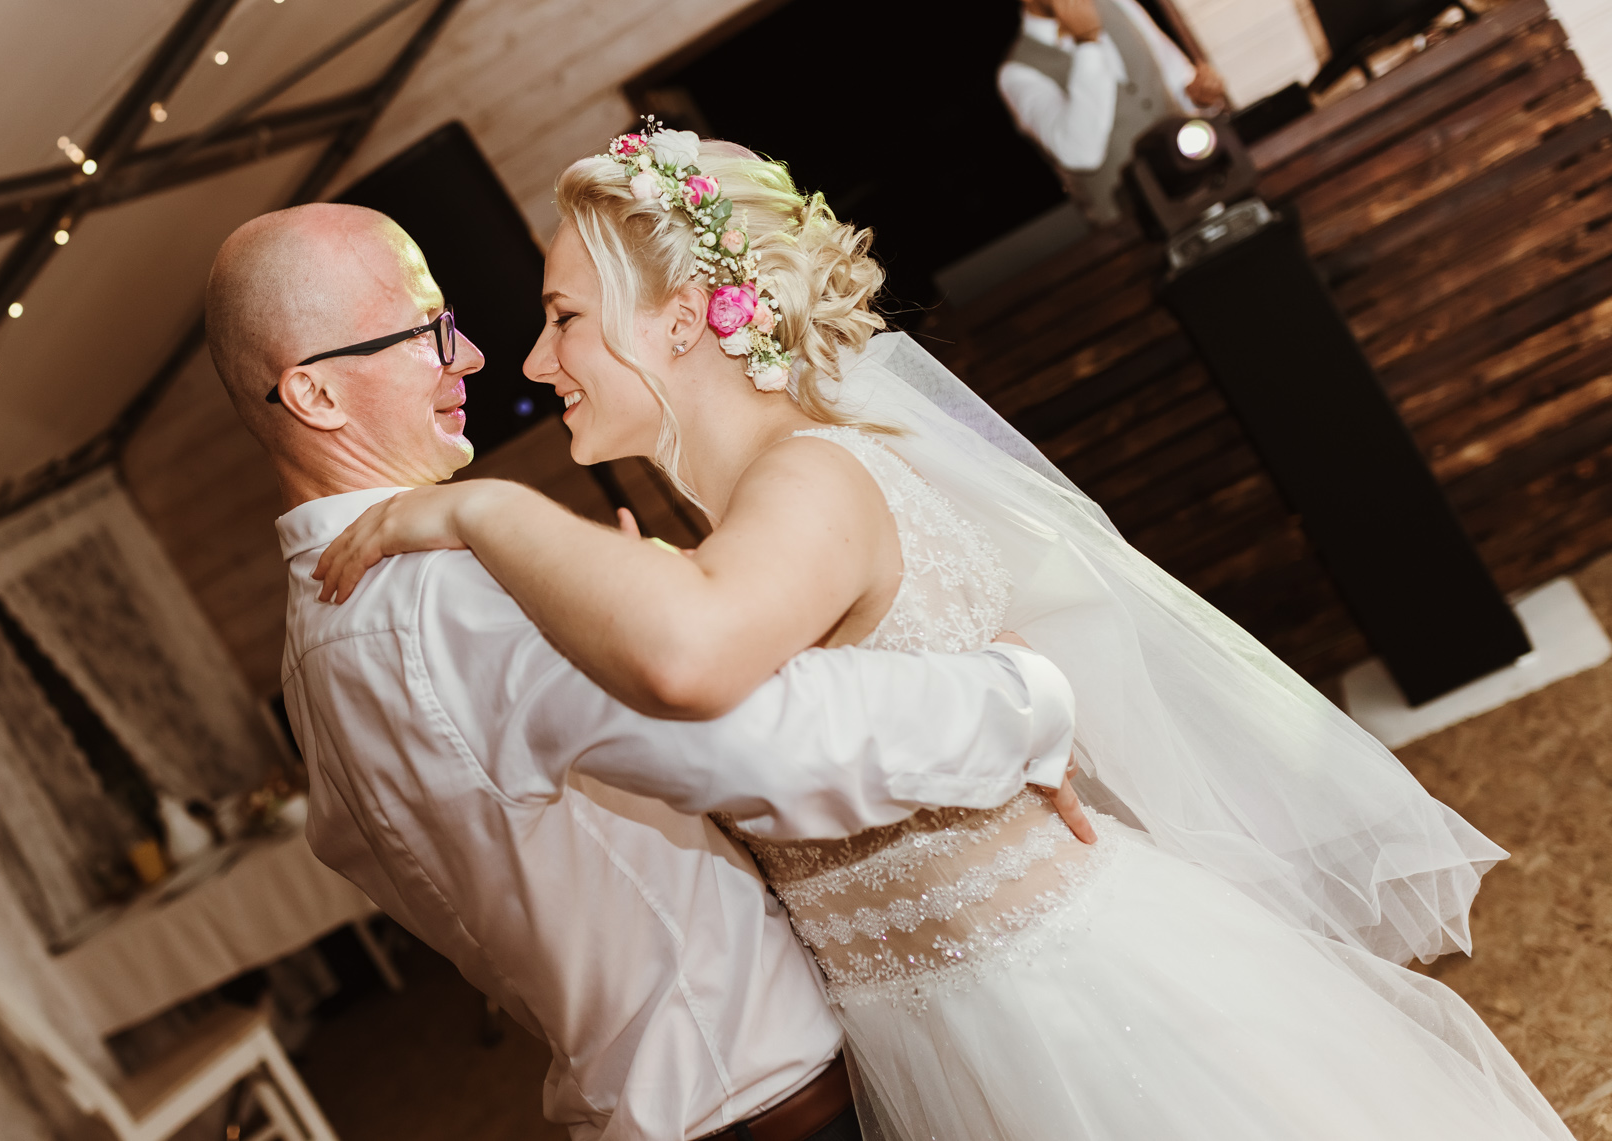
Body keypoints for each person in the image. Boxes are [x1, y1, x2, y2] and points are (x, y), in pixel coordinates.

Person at [316, 127, 1573, 1140]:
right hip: (933, 1023)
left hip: (1053, 1012)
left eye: (565, 318)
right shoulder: (759, 510)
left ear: (683, 319)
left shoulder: (807, 482)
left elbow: (690, 657)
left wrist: (480, 512)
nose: (538, 360)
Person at [202, 202, 1095, 1141]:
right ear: (316, 395)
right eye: (427, 329)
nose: (470, 356)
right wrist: (1019, 696)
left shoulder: (313, 641)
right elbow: (775, 740)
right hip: (773, 1105)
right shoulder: (453, 595)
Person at [998, 0, 1227, 228]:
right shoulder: (1017, 72)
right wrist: (1087, 43)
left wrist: (1200, 96)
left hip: (1203, 182)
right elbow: (1081, 152)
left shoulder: (1119, 3)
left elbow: (1178, 82)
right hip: (1132, 226)